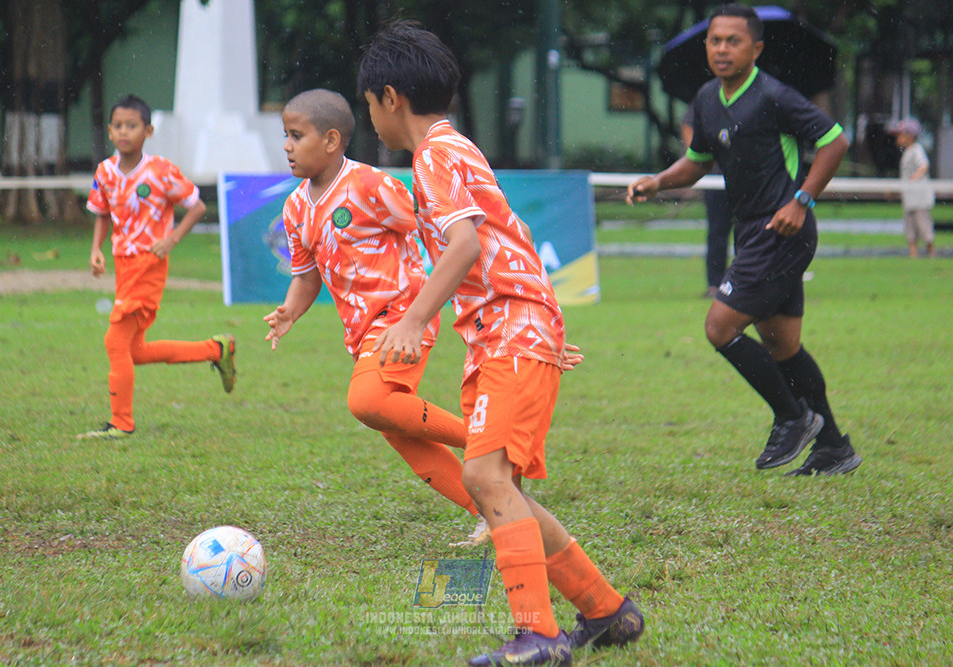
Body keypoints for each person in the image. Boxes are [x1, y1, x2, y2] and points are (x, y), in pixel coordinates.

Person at [359, 21, 643, 666]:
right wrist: (542, 321)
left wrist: (413, 321)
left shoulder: (433, 157)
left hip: (510, 328)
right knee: (499, 486)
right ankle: (605, 610)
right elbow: (508, 238)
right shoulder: (454, 147)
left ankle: (539, 635)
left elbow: (464, 245)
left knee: (485, 477)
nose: (370, 116)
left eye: (369, 103)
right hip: (508, 328)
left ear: (390, 98)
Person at [628, 4, 862, 477]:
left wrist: (801, 201)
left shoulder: (774, 95)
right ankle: (834, 447)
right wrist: (659, 181)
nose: (722, 49)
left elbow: (835, 140)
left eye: (733, 41)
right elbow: (697, 161)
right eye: (715, 41)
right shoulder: (707, 99)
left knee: (720, 327)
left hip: (782, 231)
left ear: (755, 48)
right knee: (783, 346)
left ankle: (793, 418)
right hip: (752, 231)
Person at [263, 89, 488, 545]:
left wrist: (438, 298)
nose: (286, 146)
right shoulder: (295, 209)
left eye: (296, 136)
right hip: (363, 334)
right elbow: (306, 277)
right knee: (397, 430)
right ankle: (493, 510)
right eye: (285, 135)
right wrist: (290, 311)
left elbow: (432, 229)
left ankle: (490, 443)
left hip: (403, 317)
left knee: (367, 402)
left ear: (331, 140)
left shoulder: (371, 186)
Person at [81, 94, 235, 439]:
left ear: (147, 131)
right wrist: (96, 249)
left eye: (132, 125)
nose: (124, 131)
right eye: (118, 125)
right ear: (109, 131)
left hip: (149, 264)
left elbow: (197, 207)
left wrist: (171, 239)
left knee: (115, 341)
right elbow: (103, 213)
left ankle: (121, 423)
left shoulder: (161, 170)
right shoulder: (105, 172)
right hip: (123, 266)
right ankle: (217, 349)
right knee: (134, 351)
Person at [682, 101, 733, 297]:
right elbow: (688, 124)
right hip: (716, 179)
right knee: (717, 232)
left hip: (748, 178)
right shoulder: (708, 96)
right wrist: (696, 156)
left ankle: (745, 284)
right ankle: (714, 284)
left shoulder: (759, 95)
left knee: (750, 232)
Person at [889, 118, 936, 258]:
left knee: (924, 226)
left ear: (909, 136)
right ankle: (913, 255)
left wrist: (915, 177)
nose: (897, 138)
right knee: (910, 229)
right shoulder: (907, 153)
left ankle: (931, 253)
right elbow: (905, 177)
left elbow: (924, 165)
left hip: (920, 199)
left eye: (900, 135)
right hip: (909, 199)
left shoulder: (917, 150)